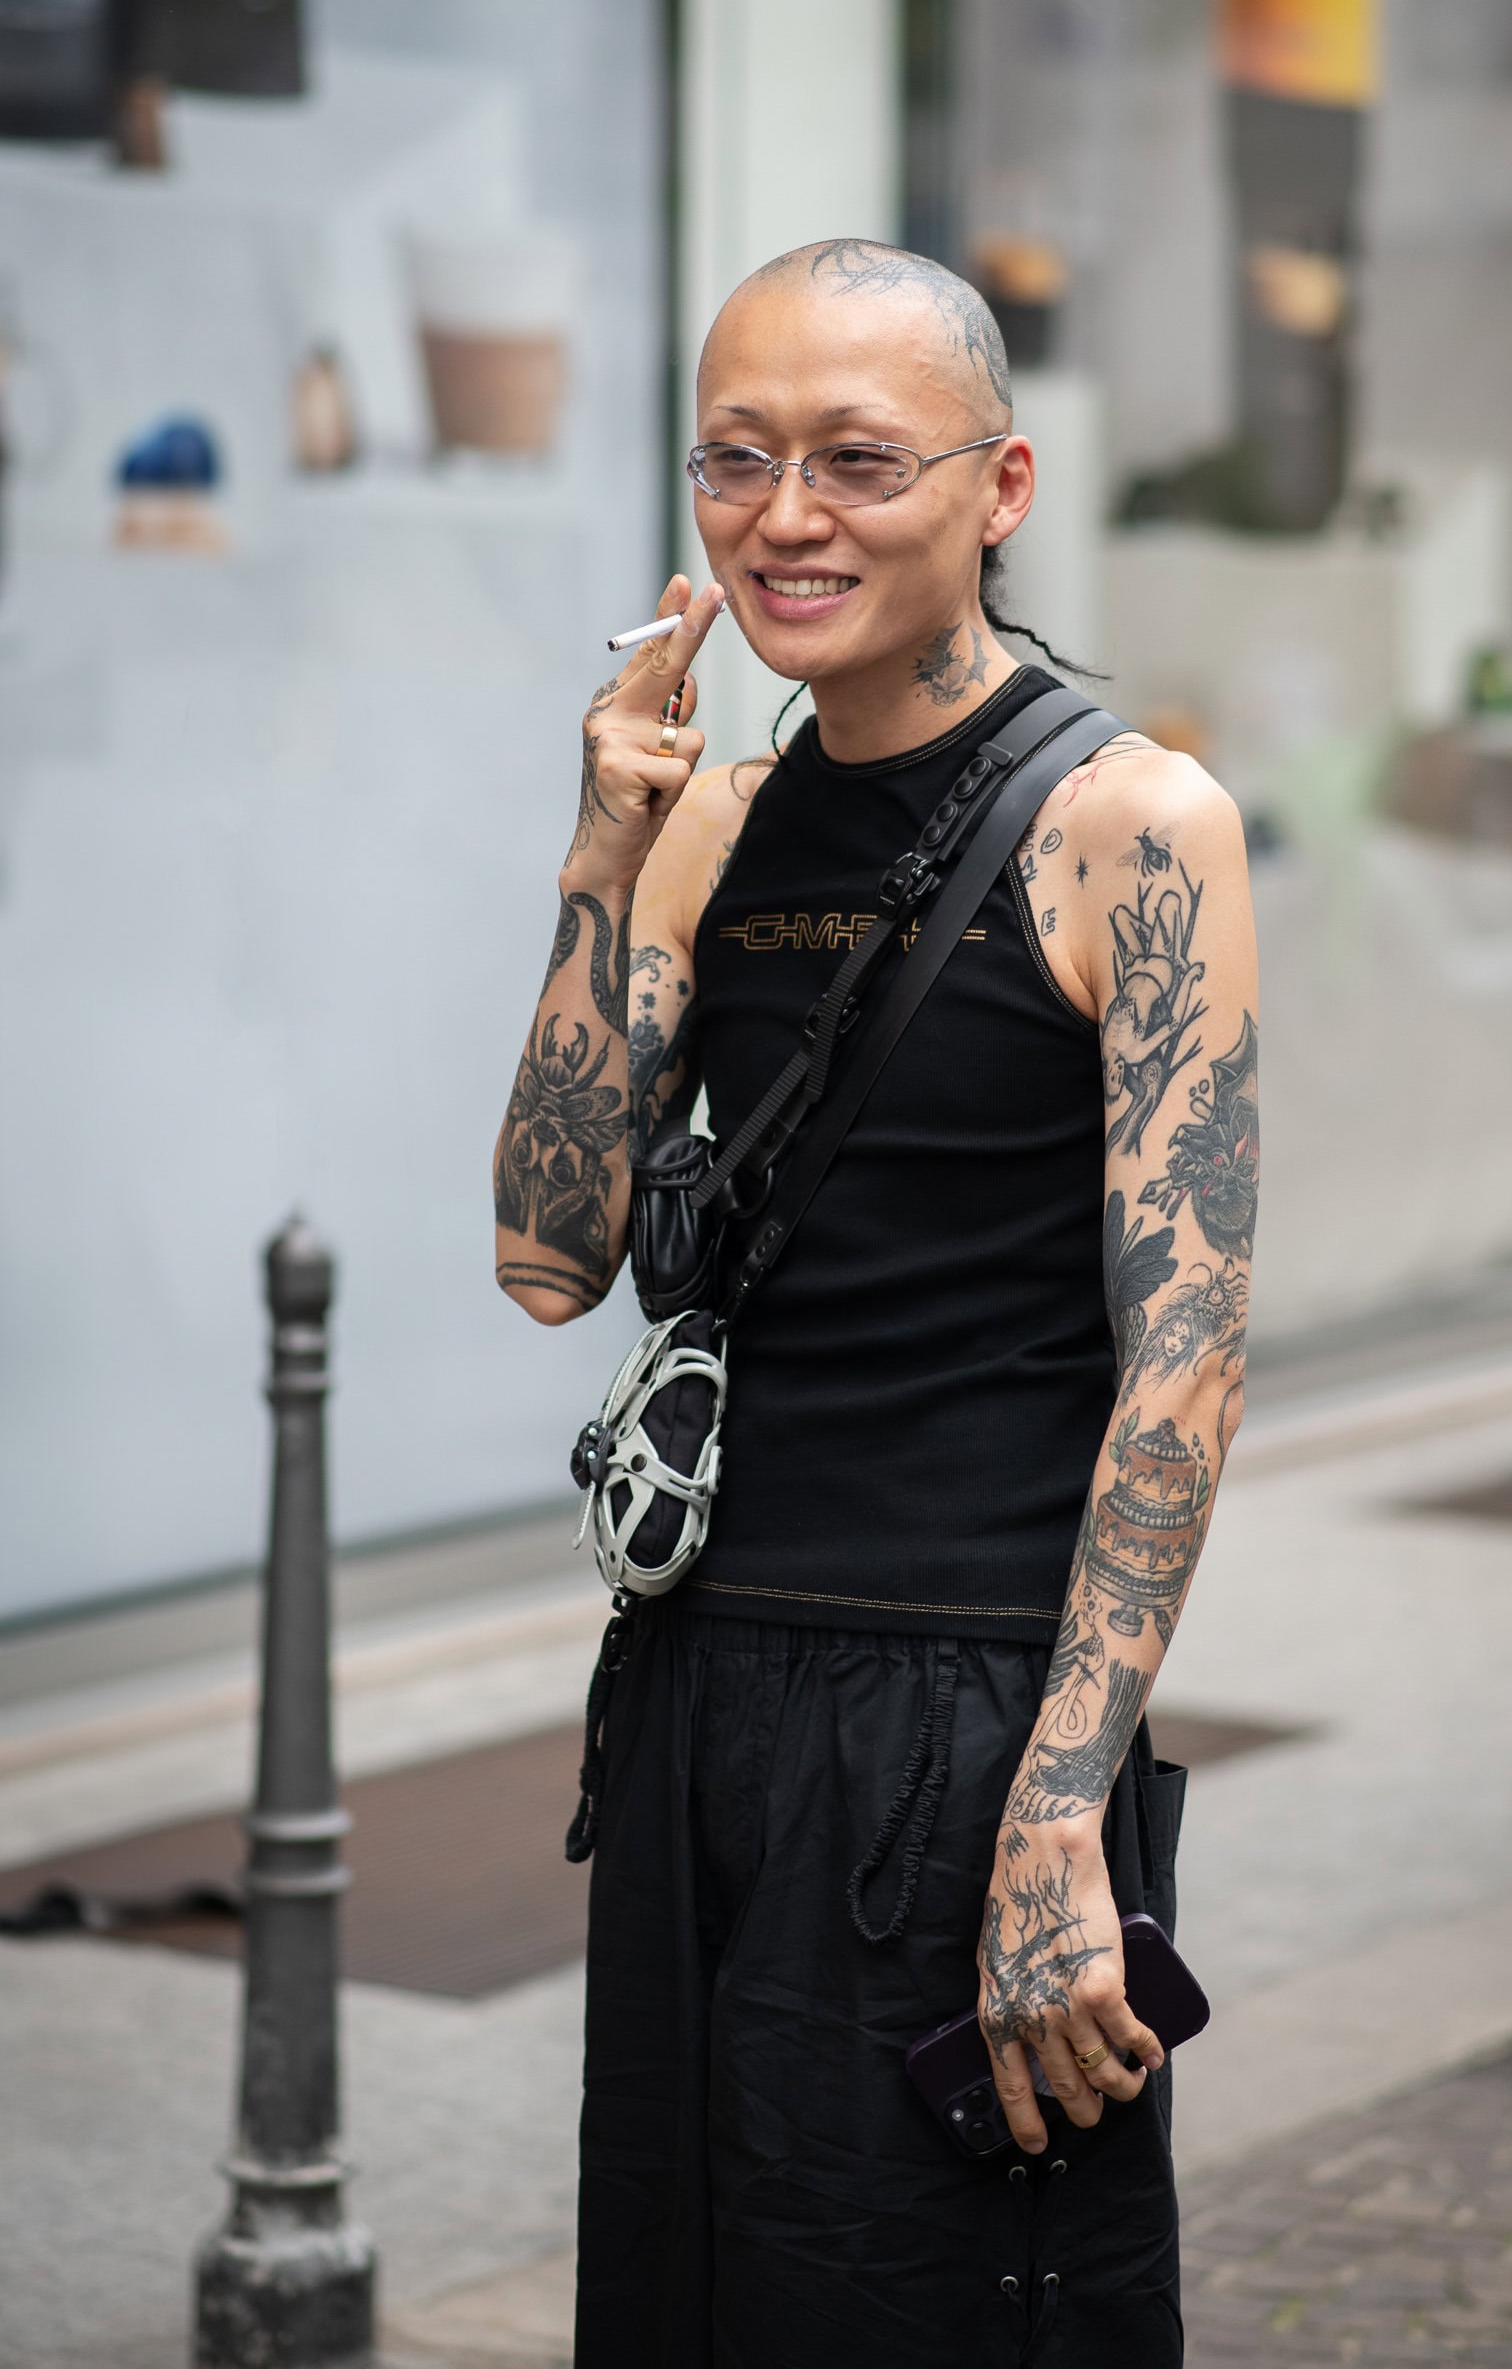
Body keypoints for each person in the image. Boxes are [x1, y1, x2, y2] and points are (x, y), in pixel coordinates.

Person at [493, 238, 1259, 2367]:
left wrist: (1059, 1807)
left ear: (1000, 486)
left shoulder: (1133, 824)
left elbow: (1186, 1363)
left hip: (967, 1711)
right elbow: (549, 1251)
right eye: (735, 459)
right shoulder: (712, 819)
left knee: (933, 2300)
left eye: (854, 458)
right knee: (699, 2279)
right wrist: (599, 852)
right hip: (699, 1689)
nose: (785, 516)